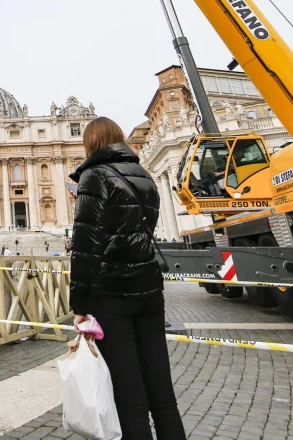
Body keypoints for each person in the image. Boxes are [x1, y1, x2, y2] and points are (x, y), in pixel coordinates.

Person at [69, 116, 185, 440]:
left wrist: (81, 306)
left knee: (130, 399)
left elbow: (86, 249)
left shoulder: (93, 176)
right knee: (162, 393)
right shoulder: (144, 176)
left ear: (91, 144)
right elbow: (136, 230)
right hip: (149, 291)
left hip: (114, 296)